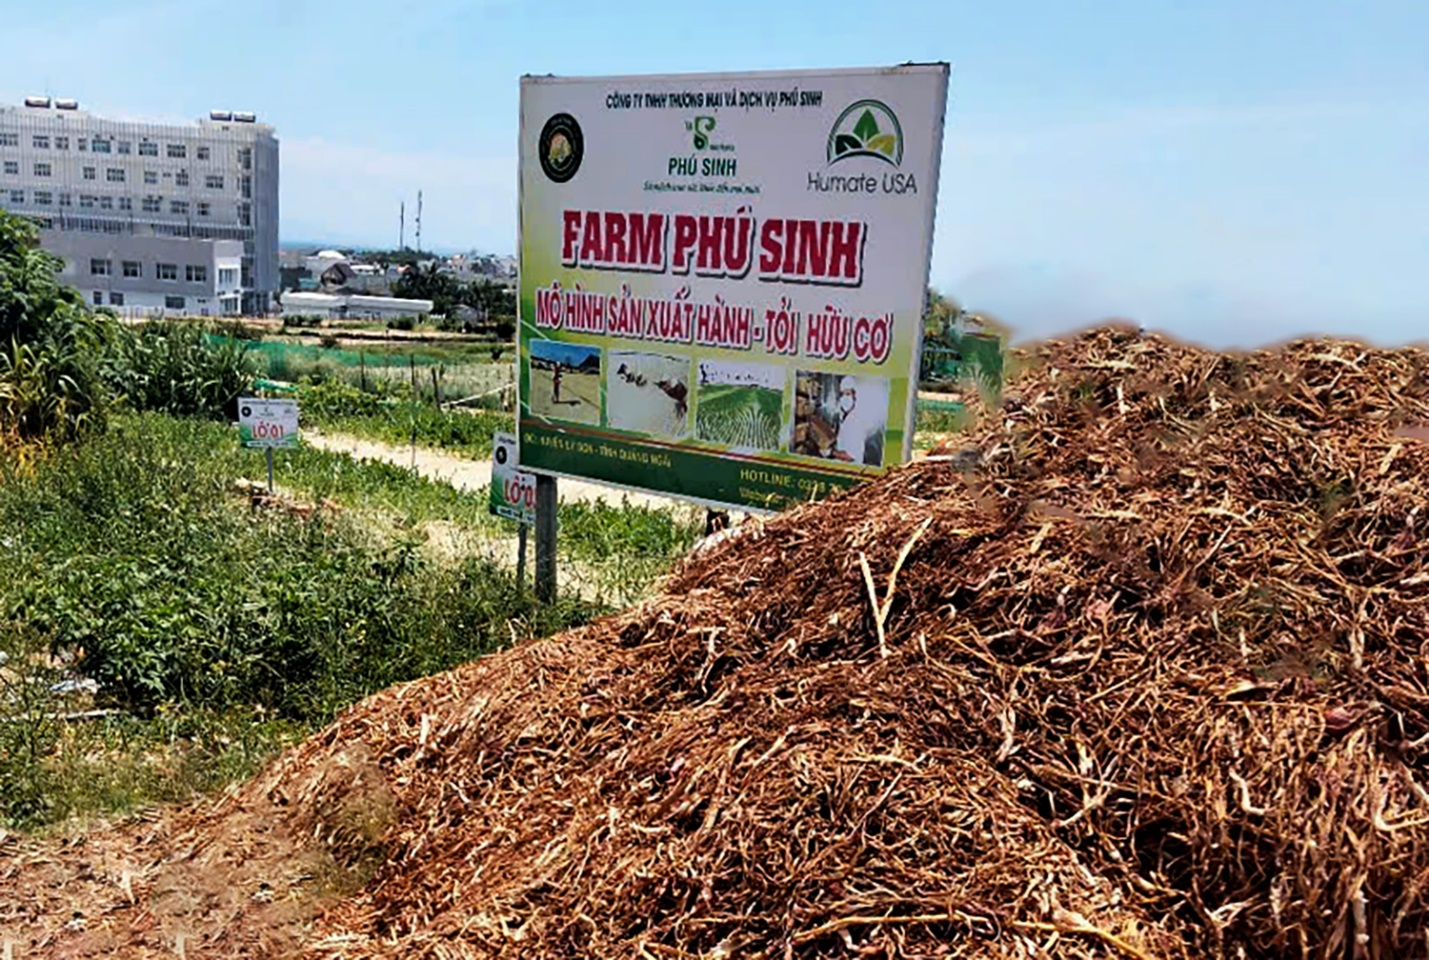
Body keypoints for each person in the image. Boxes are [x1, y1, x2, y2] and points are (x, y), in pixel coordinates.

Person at [832, 375, 865, 464]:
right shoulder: (846, 416)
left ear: (854, 396)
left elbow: (851, 456)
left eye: (847, 394)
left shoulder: (856, 421)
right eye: (842, 394)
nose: (844, 398)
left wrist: (831, 452)